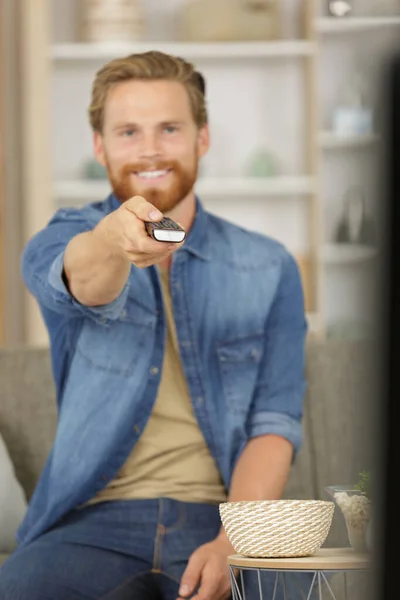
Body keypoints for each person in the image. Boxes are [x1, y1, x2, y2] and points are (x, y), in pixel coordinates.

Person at [0, 51, 311, 600]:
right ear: (99, 145)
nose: (149, 149)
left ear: (202, 138)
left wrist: (233, 540)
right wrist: (114, 239)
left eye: (169, 128)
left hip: (219, 518)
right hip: (90, 525)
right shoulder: (64, 237)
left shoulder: (271, 266)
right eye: (128, 132)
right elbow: (84, 277)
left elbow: (273, 424)